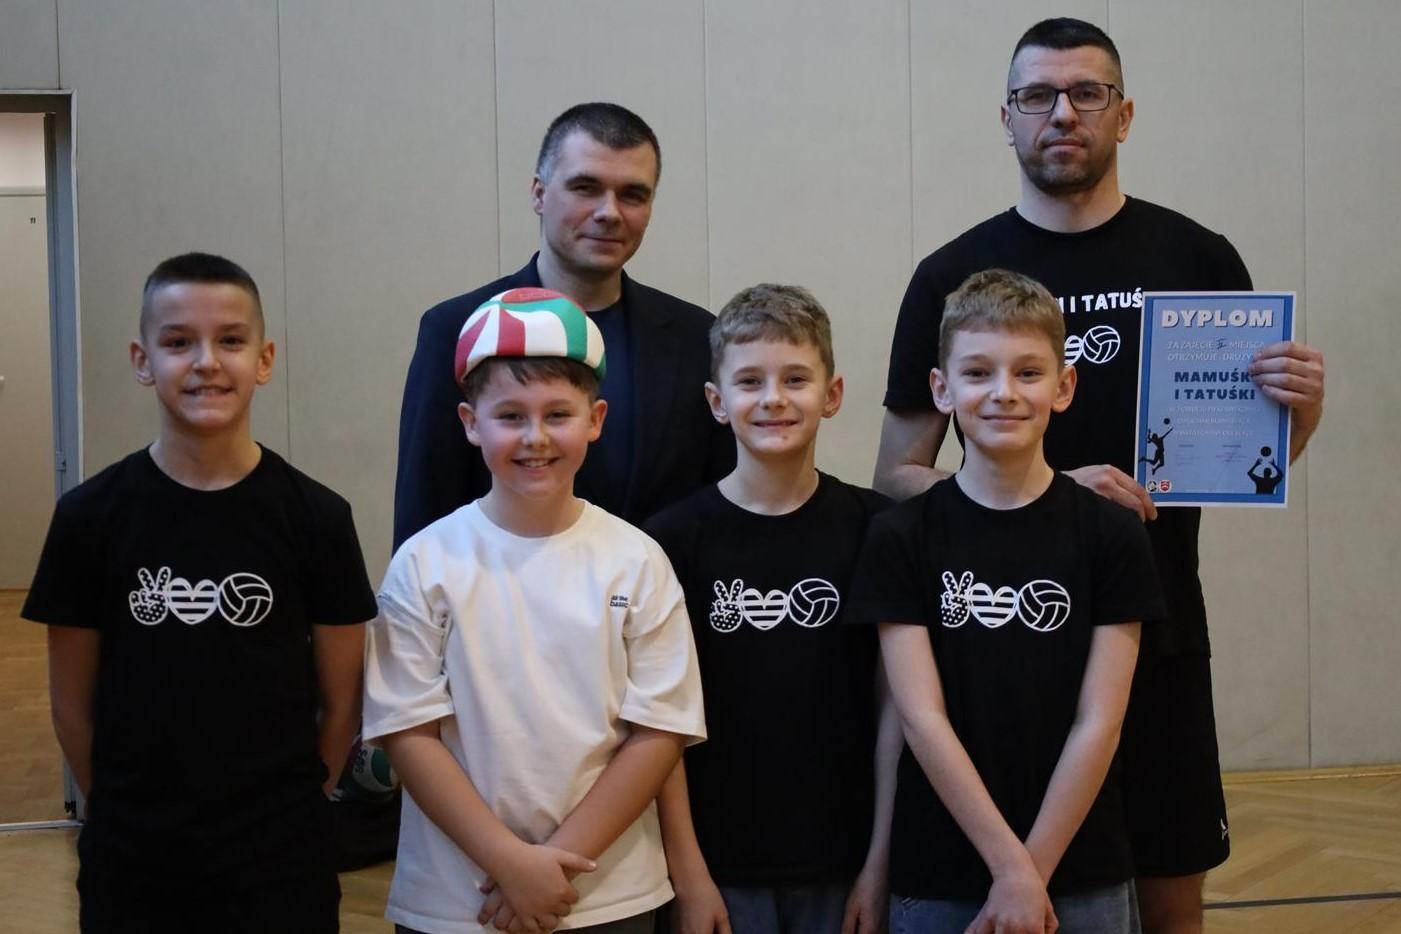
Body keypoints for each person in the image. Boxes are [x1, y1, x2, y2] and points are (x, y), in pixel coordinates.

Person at [873, 18, 1325, 933]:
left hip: (1155, 628)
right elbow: (895, 477)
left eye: (1087, 93)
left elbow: (1242, 462)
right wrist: (1047, 494)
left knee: (1169, 903)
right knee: (1006, 890)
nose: (1061, 113)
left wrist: (1298, 413)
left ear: (1124, 115)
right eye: (1037, 95)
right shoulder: (949, 274)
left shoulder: (1196, 257)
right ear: (1005, 116)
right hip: (996, 649)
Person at [24, 252, 375, 933]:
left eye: (231, 340)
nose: (206, 362)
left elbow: (342, 706)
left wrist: (301, 805)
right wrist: (119, 812)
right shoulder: (89, 518)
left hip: (283, 862)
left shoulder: (318, 518)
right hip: (133, 862)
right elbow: (71, 707)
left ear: (264, 360)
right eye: (179, 341)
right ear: (142, 360)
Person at [364, 289, 707, 934]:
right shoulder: (424, 562)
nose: (536, 437)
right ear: (470, 422)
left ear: (595, 419)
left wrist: (551, 869)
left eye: (558, 414)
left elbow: (660, 729)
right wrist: (510, 863)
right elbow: (407, 730)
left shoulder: (637, 559)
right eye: (510, 416)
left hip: (607, 894)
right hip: (454, 900)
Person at [854, 269, 1164, 933]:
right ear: (940, 388)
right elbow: (922, 718)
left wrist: (1032, 873)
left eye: (1028, 372)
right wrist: (1010, 869)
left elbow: (1099, 721)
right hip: (939, 869)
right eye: (977, 373)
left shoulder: (1111, 534)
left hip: (1080, 867)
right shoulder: (898, 535)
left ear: (1064, 386)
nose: (1003, 393)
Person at [644, 285, 901, 934]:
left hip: (845, 862)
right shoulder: (668, 542)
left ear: (832, 394)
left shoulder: (878, 530)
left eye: (795, 379)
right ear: (716, 401)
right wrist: (688, 874)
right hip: (717, 866)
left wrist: (879, 862)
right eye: (749, 381)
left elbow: (895, 709)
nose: (773, 399)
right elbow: (658, 724)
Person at [394, 101, 734, 548]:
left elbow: (721, 508)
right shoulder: (457, 328)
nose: (609, 212)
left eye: (632, 194)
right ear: (539, 193)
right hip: (498, 589)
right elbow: (425, 516)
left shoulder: (696, 337)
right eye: (586, 188)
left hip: (655, 589)